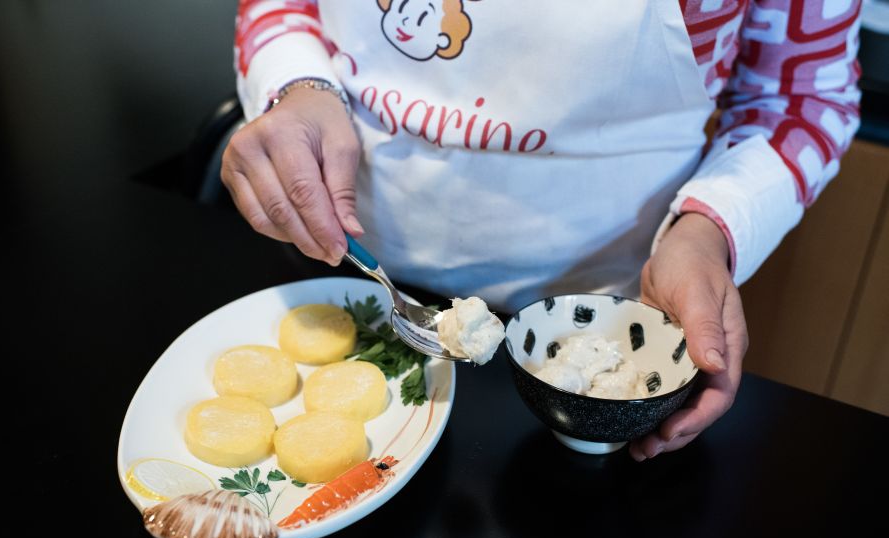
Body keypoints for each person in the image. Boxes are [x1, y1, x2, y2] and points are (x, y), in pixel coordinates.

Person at [221, 0, 861, 461]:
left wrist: (707, 232)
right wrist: (298, 86)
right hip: (341, 269)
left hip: (596, 348)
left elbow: (800, 100)